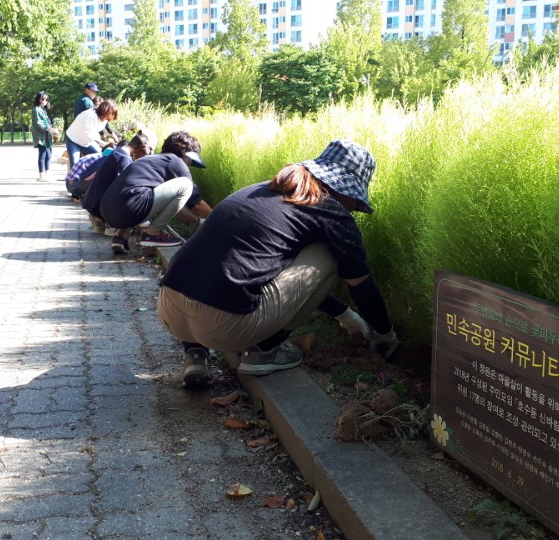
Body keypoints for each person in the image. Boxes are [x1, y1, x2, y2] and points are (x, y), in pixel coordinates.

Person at [156, 139, 399, 389]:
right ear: (344, 189)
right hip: (221, 325)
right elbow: (359, 282)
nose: (353, 210)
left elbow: (282, 277)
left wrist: (344, 314)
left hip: (169, 310)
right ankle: (265, 350)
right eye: (356, 203)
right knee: (330, 254)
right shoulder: (331, 210)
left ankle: (195, 355)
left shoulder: (260, 190)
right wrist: (384, 333)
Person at [98, 131, 212, 249]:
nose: (189, 166)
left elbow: (175, 207)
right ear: (187, 155)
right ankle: (151, 234)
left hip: (107, 211)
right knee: (185, 185)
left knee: (137, 192)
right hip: (129, 209)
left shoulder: (150, 161)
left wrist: (198, 222)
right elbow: (196, 204)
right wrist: (218, 218)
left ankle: (120, 237)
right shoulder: (176, 162)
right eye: (190, 162)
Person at [81, 128, 158, 254]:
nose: (148, 155)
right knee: (135, 202)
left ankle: (117, 234)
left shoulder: (118, 152)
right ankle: (114, 229)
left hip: (95, 201)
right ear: (143, 147)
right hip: (101, 206)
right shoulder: (124, 160)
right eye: (149, 151)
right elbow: (127, 189)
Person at [64, 99, 118, 171]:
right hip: (73, 140)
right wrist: (104, 143)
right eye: (111, 113)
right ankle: (72, 181)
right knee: (75, 164)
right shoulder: (90, 116)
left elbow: (94, 132)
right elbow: (88, 134)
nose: (111, 116)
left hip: (86, 142)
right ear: (105, 111)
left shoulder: (104, 120)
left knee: (101, 156)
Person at [30, 91, 56, 182]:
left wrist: (52, 128)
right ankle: (41, 175)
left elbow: (46, 123)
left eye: (46, 99)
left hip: (47, 136)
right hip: (41, 136)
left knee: (48, 154)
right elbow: (38, 123)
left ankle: (47, 173)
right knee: (42, 154)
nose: (44, 101)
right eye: (42, 98)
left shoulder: (43, 110)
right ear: (38, 99)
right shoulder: (36, 109)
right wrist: (49, 129)